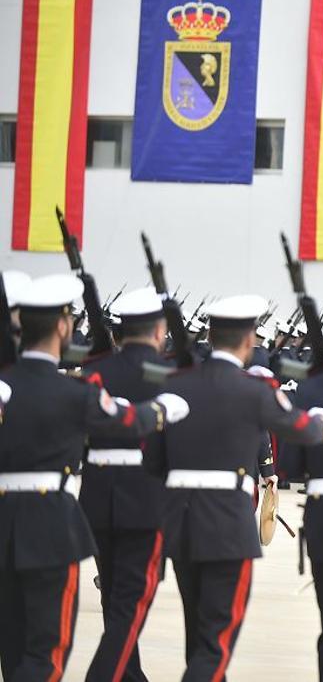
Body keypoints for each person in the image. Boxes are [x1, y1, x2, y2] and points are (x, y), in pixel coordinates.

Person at [0, 274, 190, 680]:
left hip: (30, 513)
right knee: (50, 647)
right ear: (63, 326)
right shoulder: (77, 392)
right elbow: (129, 419)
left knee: (13, 636)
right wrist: (162, 409)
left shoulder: (54, 381)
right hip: (57, 520)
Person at [158, 294, 323, 680]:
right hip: (226, 523)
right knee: (217, 639)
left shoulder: (175, 384)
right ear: (249, 339)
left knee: (197, 632)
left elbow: (155, 460)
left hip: (181, 520)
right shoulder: (255, 390)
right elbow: (305, 430)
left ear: (209, 336)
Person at [79, 287, 173, 682]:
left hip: (97, 494)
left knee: (113, 597)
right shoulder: (170, 375)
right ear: (159, 331)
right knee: (130, 605)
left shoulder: (95, 371)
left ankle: (130, 675)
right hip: (145, 497)